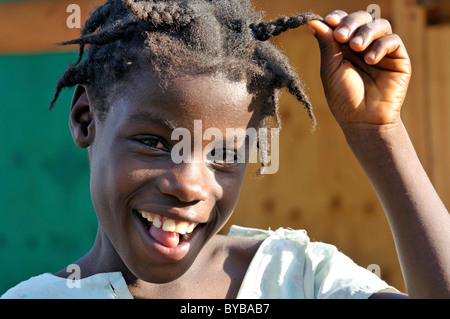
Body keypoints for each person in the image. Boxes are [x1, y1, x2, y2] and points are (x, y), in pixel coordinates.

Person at [2, 0, 449, 299]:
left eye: (226, 153)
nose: (190, 184)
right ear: (85, 119)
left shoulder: (297, 278)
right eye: (155, 142)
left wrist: (378, 132)